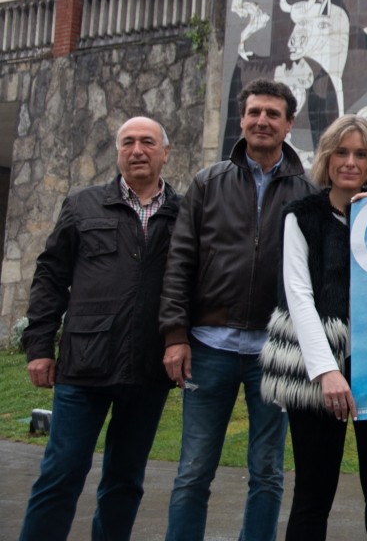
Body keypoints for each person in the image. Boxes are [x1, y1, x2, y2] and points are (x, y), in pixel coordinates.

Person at [159, 79, 316, 540]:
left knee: (267, 471)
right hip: (210, 347)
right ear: (241, 119)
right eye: (254, 112)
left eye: (273, 114)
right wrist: (175, 335)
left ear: (289, 124)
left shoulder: (308, 192)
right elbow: (180, 260)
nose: (262, 121)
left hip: (275, 351)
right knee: (193, 470)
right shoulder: (208, 182)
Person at [19, 116, 180, 541]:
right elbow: (50, 277)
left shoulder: (184, 214)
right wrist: (39, 346)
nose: (137, 150)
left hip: (148, 368)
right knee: (61, 472)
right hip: (84, 366)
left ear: (165, 152)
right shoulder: (82, 205)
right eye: (128, 142)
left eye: (147, 142)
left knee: (125, 480)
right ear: (118, 152)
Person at [259, 114, 367, 541]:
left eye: (361, 154)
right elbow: (298, 296)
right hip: (316, 366)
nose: (350, 162)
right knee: (313, 490)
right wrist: (326, 371)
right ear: (327, 156)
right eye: (341, 152)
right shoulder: (300, 216)